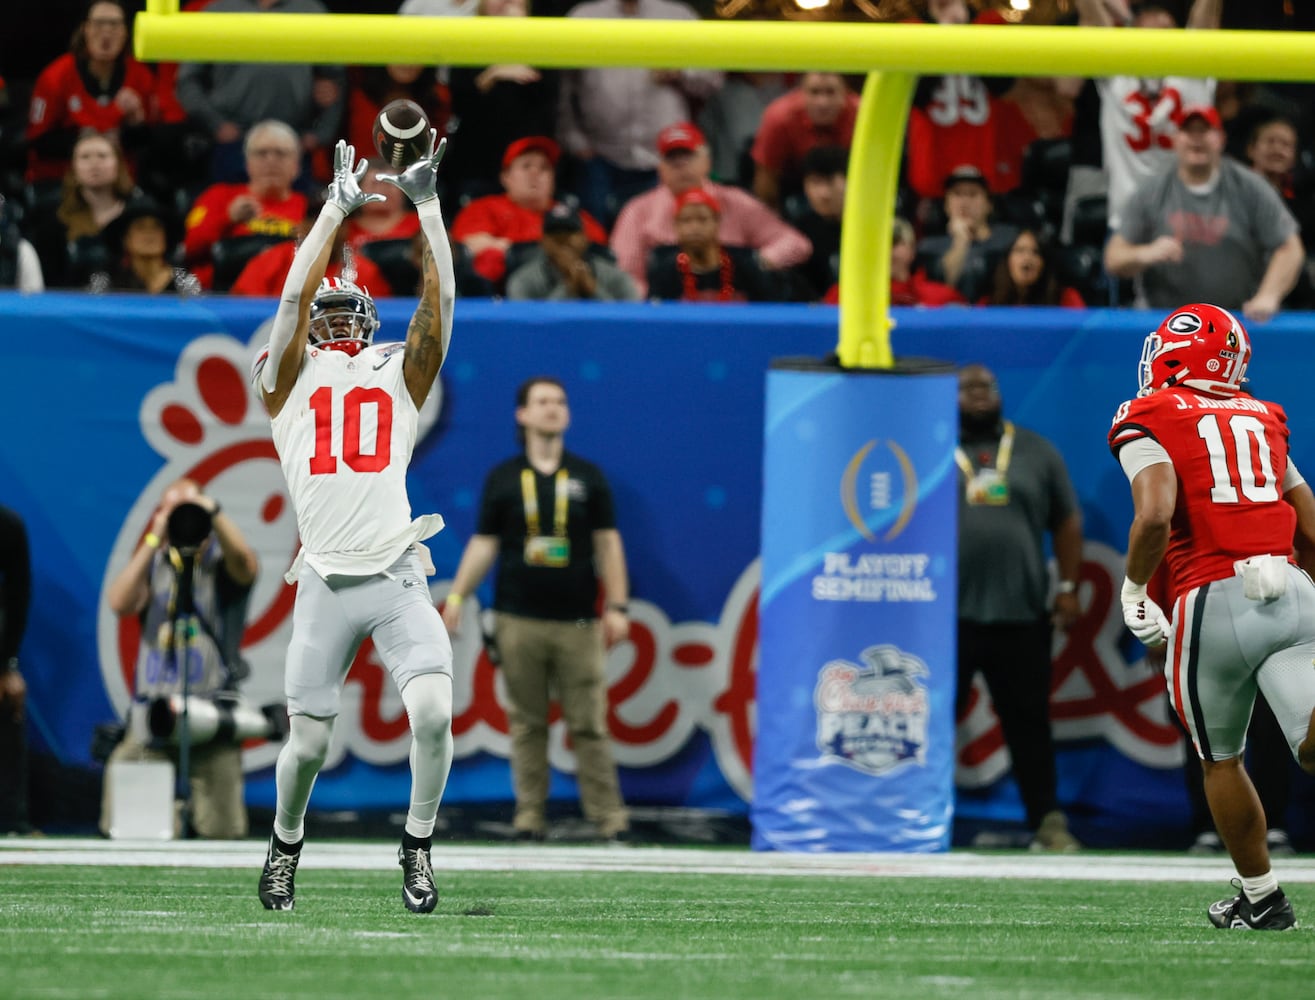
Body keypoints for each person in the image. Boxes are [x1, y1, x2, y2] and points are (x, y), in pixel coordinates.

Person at [251, 135, 456, 913]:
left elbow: (438, 310)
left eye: (347, 313)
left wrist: (429, 209)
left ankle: (417, 844)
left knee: (434, 712)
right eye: (324, 315)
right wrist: (333, 209)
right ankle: (286, 842)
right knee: (306, 746)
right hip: (326, 580)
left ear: (369, 321)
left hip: (397, 574)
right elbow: (289, 300)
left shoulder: (396, 371)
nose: (332, 322)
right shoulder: (287, 382)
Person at [1109, 302, 1315, 929]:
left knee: (1220, 758)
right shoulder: (1263, 416)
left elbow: (1154, 514)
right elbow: (1308, 519)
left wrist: (1134, 588)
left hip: (1213, 595)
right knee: (1311, 747)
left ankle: (1263, 900)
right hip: (1292, 589)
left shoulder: (1146, 413)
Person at [441, 376, 631, 844]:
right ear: (521, 414)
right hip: (517, 619)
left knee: (589, 724)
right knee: (527, 724)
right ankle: (530, 816)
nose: (553, 409)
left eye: (560, 402)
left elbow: (609, 544)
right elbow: (484, 543)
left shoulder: (588, 477)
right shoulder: (504, 478)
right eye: (542, 402)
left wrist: (619, 605)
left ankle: (609, 819)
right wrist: (457, 597)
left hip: (579, 621)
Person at [956, 363, 1083, 853]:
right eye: (968, 389)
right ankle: (912, 814)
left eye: (988, 386)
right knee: (927, 721)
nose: (980, 395)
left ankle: (1048, 822)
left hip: (1022, 613)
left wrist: (1068, 585)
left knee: (1029, 723)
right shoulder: (927, 448)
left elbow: (1067, 523)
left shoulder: (1034, 450)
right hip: (945, 621)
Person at [102, 479, 259, 839]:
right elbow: (119, 602)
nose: (183, 520)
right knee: (128, 828)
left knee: (224, 832)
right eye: (174, 512)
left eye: (191, 512)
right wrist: (156, 535)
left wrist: (210, 512)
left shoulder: (222, 568)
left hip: (211, 720)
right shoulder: (154, 566)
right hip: (152, 720)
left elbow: (246, 564)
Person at [1105, 105, 1304, 323]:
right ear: (1175, 140)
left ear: (1220, 139)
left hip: (1233, 324)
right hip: (1165, 323)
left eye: (1205, 131)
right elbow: (1114, 257)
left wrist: (1268, 296)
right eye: (1189, 132)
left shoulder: (1249, 187)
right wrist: (1146, 253)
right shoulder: (1152, 190)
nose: (1196, 139)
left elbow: (1290, 248)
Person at [556, 0, 722, 229]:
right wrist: (573, 139)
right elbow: (564, 88)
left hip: (666, 155)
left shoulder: (678, 15)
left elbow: (713, 78)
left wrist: (681, 73)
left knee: (667, 234)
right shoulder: (583, 16)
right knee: (595, 236)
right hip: (599, 154)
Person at [609, 121, 810, 298]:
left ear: (707, 161)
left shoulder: (737, 202)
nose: (681, 167)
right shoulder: (637, 211)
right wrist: (652, 308)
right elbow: (625, 273)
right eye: (673, 160)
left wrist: (754, 265)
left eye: (688, 157)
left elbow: (796, 244)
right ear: (660, 168)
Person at [174, 0, 345, 187]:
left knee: (295, 213)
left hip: (293, 141)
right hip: (234, 141)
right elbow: (187, 81)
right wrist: (216, 124)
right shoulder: (219, 11)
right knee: (230, 211)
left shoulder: (311, 11)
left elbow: (337, 82)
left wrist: (320, 134)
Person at [24, 0, 165, 188]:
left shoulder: (141, 77)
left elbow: (150, 142)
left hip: (122, 184)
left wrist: (136, 123)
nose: (106, 32)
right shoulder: (55, 76)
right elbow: (38, 140)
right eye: (98, 24)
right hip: (61, 181)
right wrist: (87, 139)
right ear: (85, 30)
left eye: (115, 24)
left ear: (126, 32)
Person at [450, 135, 608, 291]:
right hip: (503, 299)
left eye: (544, 168)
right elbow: (469, 247)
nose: (535, 173)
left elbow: (601, 255)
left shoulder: (570, 217)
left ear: (553, 179)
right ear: (506, 177)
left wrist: (506, 245)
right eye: (526, 166)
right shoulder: (483, 208)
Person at [182, 120, 307, 290]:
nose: (271, 161)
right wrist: (227, 219)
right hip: (221, 298)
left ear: (297, 166)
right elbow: (190, 247)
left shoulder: (310, 209)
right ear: (247, 163)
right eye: (261, 153)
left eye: (280, 153)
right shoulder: (218, 196)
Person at [28, 131, 139, 288]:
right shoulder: (53, 218)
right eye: (85, 157)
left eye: (102, 156)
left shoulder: (139, 212)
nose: (94, 163)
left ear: (119, 164)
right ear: (73, 168)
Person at [646, 188, 779, 303]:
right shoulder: (664, 272)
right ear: (676, 226)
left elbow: (770, 311)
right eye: (686, 220)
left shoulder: (746, 266)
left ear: (717, 222)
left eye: (702, 219)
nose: (694, 227)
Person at [750, 72, 859, 213]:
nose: (822, 102)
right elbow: (765, 183)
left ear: (845, 93)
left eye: (830, 92)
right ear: (801, 94)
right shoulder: (779, 118)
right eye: (814, 92)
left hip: (853, 188)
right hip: (792, 190)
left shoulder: (864, 115)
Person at [916, 165, 1018, 304]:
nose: (964, 202)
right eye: (957, 194)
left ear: (989, 204)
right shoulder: (929, 246)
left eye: (973, 194)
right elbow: (943, 290)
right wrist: (961, 241)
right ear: (946, 204)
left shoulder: (1009, 239)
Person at [506, 203, 639, 301]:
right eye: (555, 234)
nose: (563, 240)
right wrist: (569, 285)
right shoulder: (523, 280)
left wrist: (592, 288)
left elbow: (628, 322)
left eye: (570, 233)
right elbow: (531, 327)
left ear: (585, 239)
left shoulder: (616, 278)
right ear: (542, 242)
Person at [0, 504, 33, 835]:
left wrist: (7, 665)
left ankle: (11, 820)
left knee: (9, 703)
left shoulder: (6, 524)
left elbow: (18, 593)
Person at [979, 229, 1086, 308]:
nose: (1027, 258)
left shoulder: (1067, 299)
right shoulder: (988, 304)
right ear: (1007, 260)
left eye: (1036, 252)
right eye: (1020, 250)